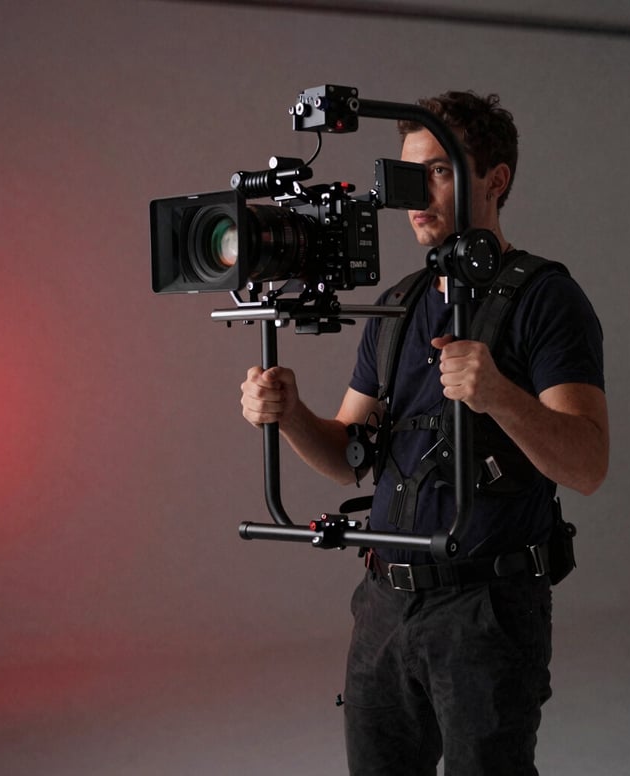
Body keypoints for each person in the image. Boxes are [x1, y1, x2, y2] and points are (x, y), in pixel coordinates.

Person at [240, 91, 609, 776]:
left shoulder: (545, 299)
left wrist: (497, 393)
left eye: (439, 171)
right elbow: (349, 455)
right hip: (385, 599)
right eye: (407, 173)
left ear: (495, 181)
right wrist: (289, 412)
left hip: (486, 609)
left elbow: (587, 463)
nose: (415, 193)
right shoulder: (396, 304)